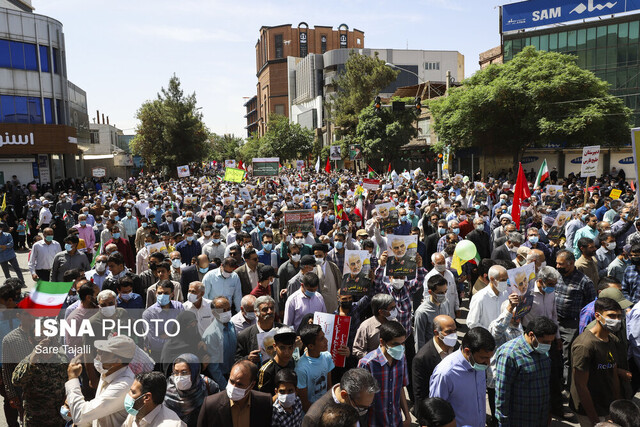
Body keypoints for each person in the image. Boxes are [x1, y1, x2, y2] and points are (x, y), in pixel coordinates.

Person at [494, 316, 558, 426]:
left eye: (551, 342)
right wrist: (503, 422)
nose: (548, 345)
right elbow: (502, 393)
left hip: (540, 418)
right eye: (545, 341)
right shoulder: (509, 354)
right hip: (519, 420)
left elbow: (546, 385)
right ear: (531, 335)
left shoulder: (543, 351)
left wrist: (548, 411)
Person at [570, 297, 624, 426]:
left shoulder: (612, 339)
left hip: (607, 405)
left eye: (618, 316)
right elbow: (581, 386)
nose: (616, 320)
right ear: (597, 316)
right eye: (611, 316)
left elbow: (613, 372)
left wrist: (616, 405)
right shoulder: (585, 345)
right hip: (590, 410)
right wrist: (595, 421)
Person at [429, 327, 496, 427]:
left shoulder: (479, 364)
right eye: (484, 358)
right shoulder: (445, 374)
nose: (488, 363)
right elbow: (437, 414)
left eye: (490, 358)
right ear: (468, 352)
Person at [65, 335, 137, 426]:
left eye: (104, 352)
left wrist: (73, 378)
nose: (98, 352)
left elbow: (80, 415)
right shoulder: (108, 372)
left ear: (117, 361)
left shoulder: (123, 385)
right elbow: (96, 413)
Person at [358, 320, 410, 427]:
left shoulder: (401, 358)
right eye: (395, 344)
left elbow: (400, 388)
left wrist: (407, 416)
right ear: (382, 342)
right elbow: (360, 400)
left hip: (396, 421)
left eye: (402, 343)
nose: (400, 348)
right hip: (374, 422)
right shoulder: (367, 364)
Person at [555, 249, 596, 384]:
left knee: (568, 356)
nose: (558, 267)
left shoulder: (584, 281)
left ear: (571, 263)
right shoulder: (557, 277)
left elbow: (591, 306)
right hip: (556, 322)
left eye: (561, 264)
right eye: (557, 264)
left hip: (572, 325)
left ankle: (569, 386)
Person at [10, 336, 68, 427]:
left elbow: (69, 384)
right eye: (41, 338)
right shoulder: (29, 360)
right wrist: (32, 360)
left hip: (58, 420)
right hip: (35, 421)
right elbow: (16, 381)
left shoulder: (62, 360)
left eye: (49, 338)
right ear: (32, 341)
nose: (46, 341)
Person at [196, 360, 273, 427]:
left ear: (252, 385)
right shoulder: (211, 404)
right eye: (231, 381)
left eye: (239, 384)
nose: (233, 387)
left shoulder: (265, 402)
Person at [412, 314, 458, 406]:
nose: (453, 335)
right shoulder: (422, 358)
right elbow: (420, 395)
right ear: (437, 333)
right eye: (448, 332)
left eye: (455, 331)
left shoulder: (456, 347)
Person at [164, 353, 219, 427]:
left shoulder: (207, 385)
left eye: (184, 372)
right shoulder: (167, 389)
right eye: (176, 372)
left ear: (194, 372)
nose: (179, 377)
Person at [296, 323, 335, 412]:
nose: (326, 341)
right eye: (321, 339)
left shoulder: (327, 357)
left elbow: (329, 386)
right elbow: (304, 403)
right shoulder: (301, 369)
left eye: (324, 337)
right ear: (310, 346)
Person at [142, 280, 184, 361]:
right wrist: (175, 337)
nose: (162, 295)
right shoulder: (148, 314)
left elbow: (184, 332)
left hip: (178, 353)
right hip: (159, 355)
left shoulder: (179, 307)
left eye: (166, 293)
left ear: (172, 294)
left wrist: (165, 336)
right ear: (156, 293)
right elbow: (154, 342)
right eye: (160, 293)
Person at [235, 296, 282, 364]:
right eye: (265, 309)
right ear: (256, 313)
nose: (270, 312)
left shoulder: (284, 330)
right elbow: (237, 360)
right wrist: (248, 358)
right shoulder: (244, 336)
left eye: (272, 308)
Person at [203, 296, 237, 388]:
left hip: (235, 375)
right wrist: (225, 387)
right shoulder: (211, 334)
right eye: (222, 310)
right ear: (214, 313)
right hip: (222, 379)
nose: (226, 312)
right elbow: (214, 368)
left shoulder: (231, 326)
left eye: (228, 309)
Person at [414, 275, 453, 352]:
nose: (443, 295)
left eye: (445, 291)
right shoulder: (422, 312)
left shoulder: (446, 302)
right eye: (440, 293)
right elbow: (419, 339)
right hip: (430, 352)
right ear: (430, 292)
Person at [467, 264, 512, 329]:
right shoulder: (480, 298)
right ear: (492, 279)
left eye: (506, 279)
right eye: (502, 280)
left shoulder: (505, 294)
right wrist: (489, 333)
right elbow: (472, 323)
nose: (505, 282)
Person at [353, 293, 395, 358]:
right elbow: (357, 350)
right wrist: (374, 358)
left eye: (394, 307)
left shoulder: (394, 321)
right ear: (381, 312)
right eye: (391, 308)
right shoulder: (366, 327)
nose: (394, 310)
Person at [258, 327, 296, 395]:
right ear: (275, 346)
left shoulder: (292, 362)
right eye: (282, 348)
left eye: (290, 348)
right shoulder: (267, 371)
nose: (287, 352)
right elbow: (262, 401)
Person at [422, 252, 459, 318]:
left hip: (450, 314)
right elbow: (426, 296)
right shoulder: (429, 277)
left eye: (443, 262)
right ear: (433, 263)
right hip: (436, 315)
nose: (442, 264)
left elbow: (455, 292)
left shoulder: (450, 274)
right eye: (439, 263)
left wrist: (457, 307)